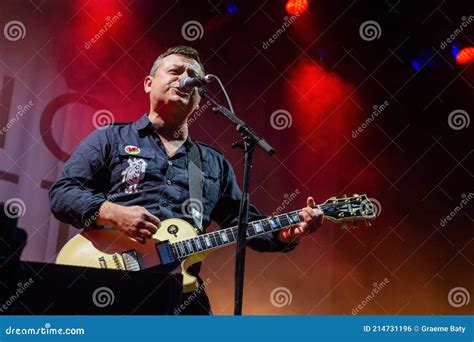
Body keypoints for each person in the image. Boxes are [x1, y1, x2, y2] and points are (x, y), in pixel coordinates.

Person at [49, 46, 324, 315]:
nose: (185, 79)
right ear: (149, 83)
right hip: (109, 279)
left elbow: (245, 225)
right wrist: (113, 213)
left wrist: (290, 231)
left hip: (179, 292)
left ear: (200, 98)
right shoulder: (111, 138)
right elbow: (63, 194)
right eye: (176, 71)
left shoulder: (212, 163)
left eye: (193, 76)